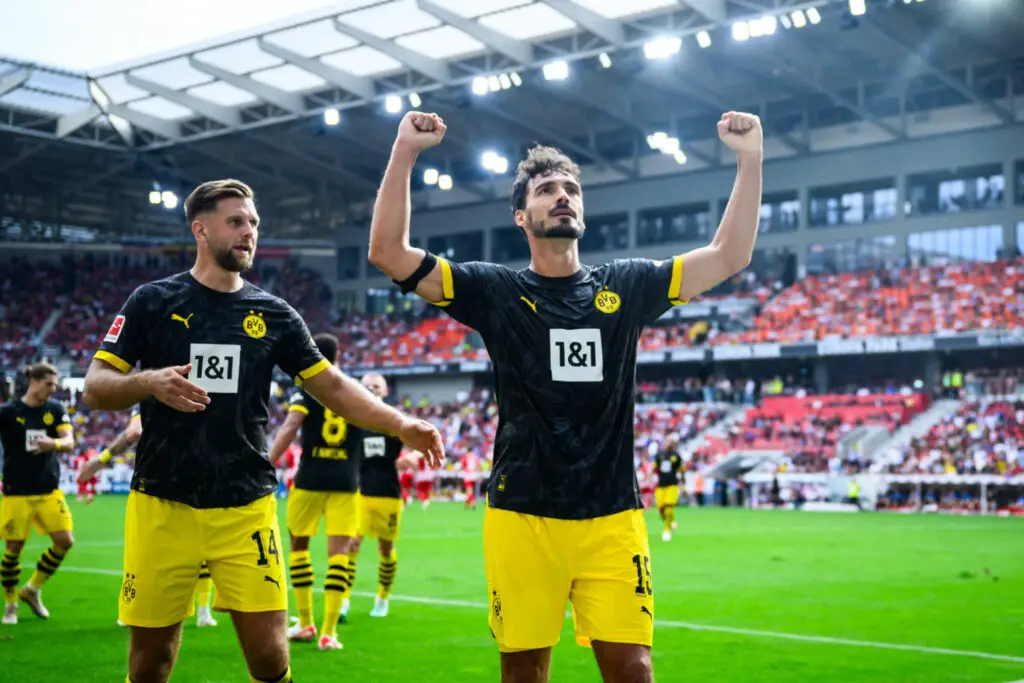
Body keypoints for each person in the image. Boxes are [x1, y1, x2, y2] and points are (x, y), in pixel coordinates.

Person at [368, 110, 763, 682]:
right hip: (523, 515)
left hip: (613, 515)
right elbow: (387, 251)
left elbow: (730, 254)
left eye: (572, 189)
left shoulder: (626, 285)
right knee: (524, 672)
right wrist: (405, 151)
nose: (563, 196)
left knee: (634, 671)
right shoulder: (496, 291)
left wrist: (749, 160)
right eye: (547, 189)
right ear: (521, 216)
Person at [82, 178, 444, 683]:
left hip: (245, 504)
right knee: (151, 660)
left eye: (252, 222)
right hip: (162, 502)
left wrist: (401, 422)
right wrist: (149, 382)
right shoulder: (152, 301)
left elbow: (332, 386)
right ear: (200, 230)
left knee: (271, 656)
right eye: (235, 221)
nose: (248, 231)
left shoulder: (274, 314)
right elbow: (95, 387)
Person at [78, 407, 219, 629]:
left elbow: (134, 432)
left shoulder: (153, 395)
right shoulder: (206, 398)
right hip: (202, 482)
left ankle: (132, 609)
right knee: (201, 549)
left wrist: (100, 460)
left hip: (157, 484)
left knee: (145, 552)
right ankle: (203, 612)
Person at [268, 332, 362, 652]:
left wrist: (268, 460)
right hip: (346, 482)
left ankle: (306, 622)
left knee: (299, 545)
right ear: (339, 356)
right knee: (339, 554)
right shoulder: (355, 389)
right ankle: (329, 633)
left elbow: (291, 426)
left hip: (310, 479)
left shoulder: (308, 388)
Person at [0, 362, 76, 626]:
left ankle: (32, 589)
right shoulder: (8, 412)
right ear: (34, 381)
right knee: (13, 549)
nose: (53, 389)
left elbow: (69, 441)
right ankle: (10, 604)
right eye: (49, 384)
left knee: (65, 541)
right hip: (17, 492)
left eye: (55, 384)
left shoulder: (55, 409)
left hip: (48, 490)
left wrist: (52, 443)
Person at [348, 372, 410, 620]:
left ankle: (382, 598)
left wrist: (412, 457)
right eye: (367, 386)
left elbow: (418, 441)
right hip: (359, 492)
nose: (372, 388)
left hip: (388, 494)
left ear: (385, 391)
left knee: (385, 548)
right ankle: (342, 600)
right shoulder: (353, 420)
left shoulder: (393, 420)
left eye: (377, 385)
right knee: (352, 544)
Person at [653, 436, 684, 542]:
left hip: (672, 485)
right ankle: (671, 522)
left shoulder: (677, 456)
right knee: (661, 509)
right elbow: (654, 468)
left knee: (669, 506)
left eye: (672, 442)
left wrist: (683, 485)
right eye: (668, 442)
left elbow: (681, 470)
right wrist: (648, 478)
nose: (670, 444)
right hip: (661, 485)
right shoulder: (659, 455)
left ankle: (667, 530)